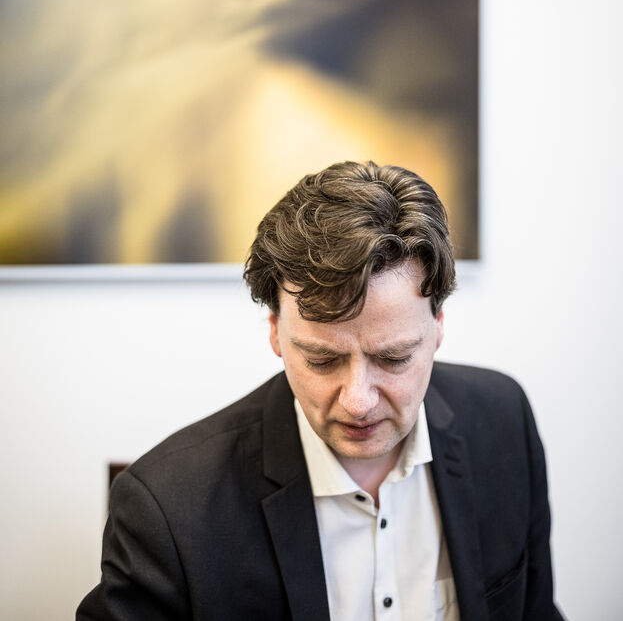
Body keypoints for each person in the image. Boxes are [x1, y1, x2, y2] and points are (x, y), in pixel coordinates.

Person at [77, 161, 563, 620]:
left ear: (438, 325)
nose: (358, 401)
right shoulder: (167, 507)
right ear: (275, 332)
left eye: (393, 358)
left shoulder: (504, 422)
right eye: (322, 360)